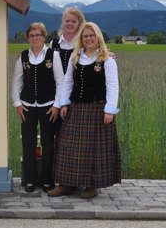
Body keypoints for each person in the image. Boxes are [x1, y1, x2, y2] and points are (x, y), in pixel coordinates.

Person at [48, 22, 121, 199]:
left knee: (93, 150)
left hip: (97, 108)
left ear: (98, 38)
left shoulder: (107, 60)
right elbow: (67, 81)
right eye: (85, 36)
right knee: (68, 146)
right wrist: (64, 103)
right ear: (81, 39)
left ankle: (91, 186)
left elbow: (112, 86)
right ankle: (66, 184)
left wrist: (109, 110)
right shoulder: (76, 58)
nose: (88, 39)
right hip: (76, 108)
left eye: (92, 35)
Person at [11, 22, 64, 192]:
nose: (35, 38)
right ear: (28, 38)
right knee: (28, 142)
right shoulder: (23, 56)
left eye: (38, 35)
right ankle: (30, 179)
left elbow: (60, 81)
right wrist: (17, 103)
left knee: (48, 143)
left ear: (44, 37)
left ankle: (47, 179)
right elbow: (17, 81)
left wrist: (57, 105)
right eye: (32, 35)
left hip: (48, 105)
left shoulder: (52, 55)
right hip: (27, 105)